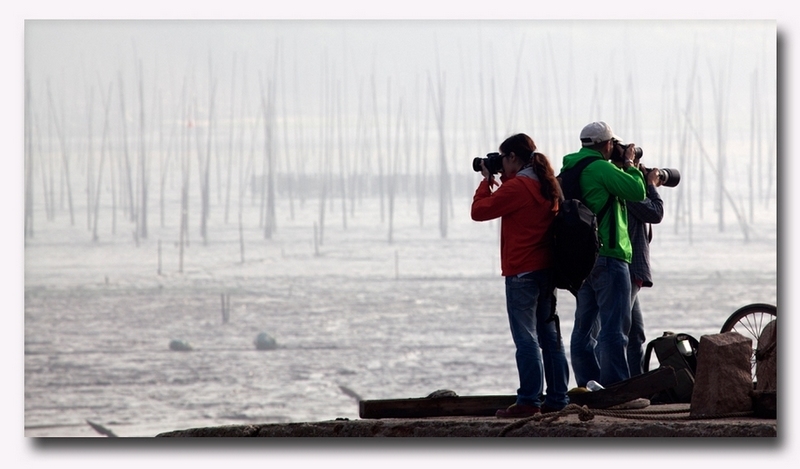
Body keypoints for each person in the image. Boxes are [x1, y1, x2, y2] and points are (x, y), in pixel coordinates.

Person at [471, 133, 570, 418]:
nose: (501, 163)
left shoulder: (518, 187)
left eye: (503, 158)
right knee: (550, 338)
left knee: (526, 338)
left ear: (513, 157)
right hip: (546, 270)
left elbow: (479, 211)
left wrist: (486, 181)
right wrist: (501, 179)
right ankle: (558, 398)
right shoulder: (546, 184)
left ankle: (528, 400)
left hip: (522, 272)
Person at [562, 121, 646, 388]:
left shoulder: (571, 166)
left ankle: (588, 384)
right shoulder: (601, 167)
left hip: (582, 259)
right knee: (614, 328)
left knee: (584, 328)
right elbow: (638, 192)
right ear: (607, 144)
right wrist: (631, 164)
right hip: (609, 255)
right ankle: (615, 385)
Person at [624, 162, 664, 376]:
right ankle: (616, 384)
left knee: (635, 334)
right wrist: (651, 185)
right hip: (627, 268)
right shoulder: (626, 188)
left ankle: (636, 383)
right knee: (619, 331)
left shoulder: (624, 184)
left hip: (631, 269)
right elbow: (655, 213)